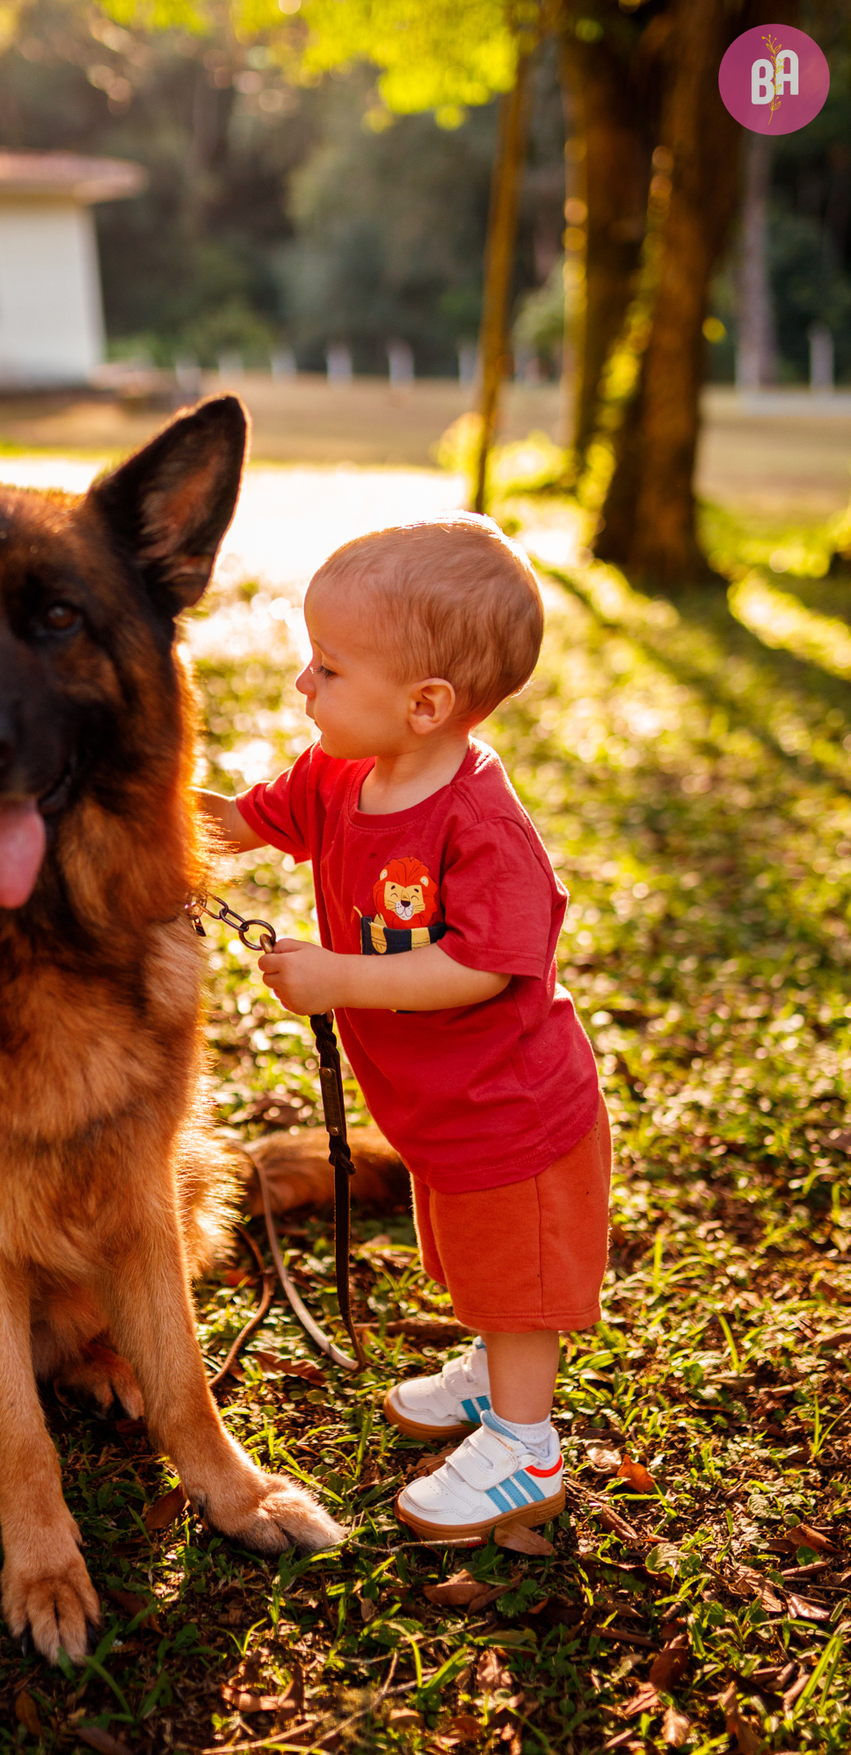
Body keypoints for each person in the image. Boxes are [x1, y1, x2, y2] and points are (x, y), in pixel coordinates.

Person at [197, 517, 609, 1544]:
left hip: (512, 1114)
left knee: (517, 1281)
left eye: (329, 668)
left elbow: (479, 965)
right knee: (475, 1261)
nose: (303, 684)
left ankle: (525, 1444)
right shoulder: (342, 775)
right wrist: (161, 810)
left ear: (425, 704)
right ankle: (489, 1377)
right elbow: (246, 819)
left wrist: (341, 976)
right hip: (440, 1113)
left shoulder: (481, 827)